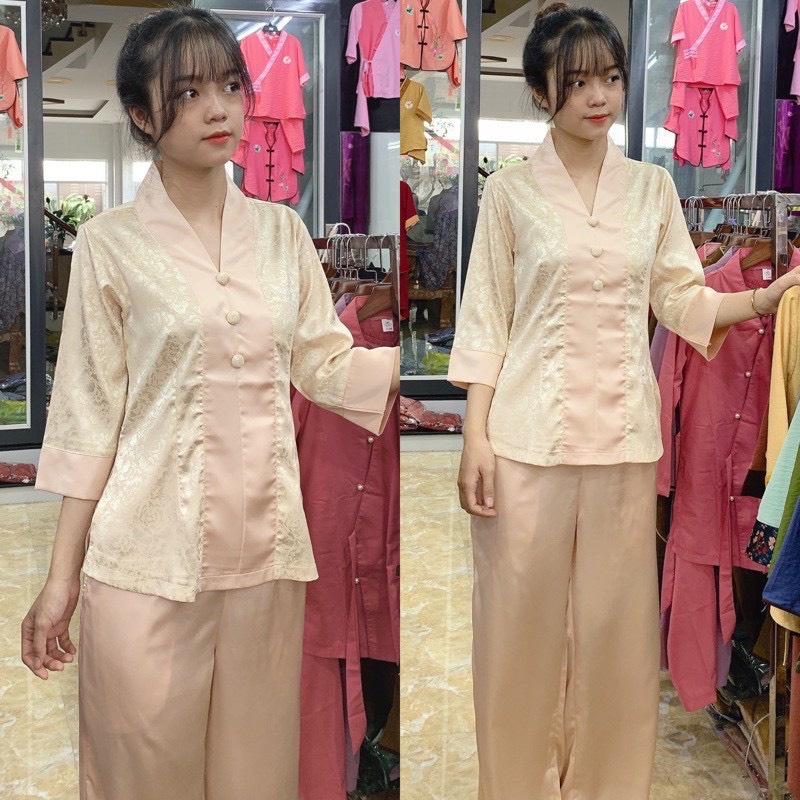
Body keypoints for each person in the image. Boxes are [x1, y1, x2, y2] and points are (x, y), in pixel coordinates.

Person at [20, 8, 399, 799]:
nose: (218, 109)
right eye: (187, 93)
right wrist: (60, 580)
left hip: (264, 559)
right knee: (142, 766)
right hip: (145, 557)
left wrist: (445, 363)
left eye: (229, 86)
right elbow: (89, 413)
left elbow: (323, 365)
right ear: (141, 115)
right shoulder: (110, 245)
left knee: (254, 772)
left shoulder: (282, 234)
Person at [447, 5, 800, 799]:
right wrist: (474, 435)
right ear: (542, 90)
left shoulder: (651, 189)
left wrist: (761, 298)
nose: (599, 95)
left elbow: (679, 296)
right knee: (518, 629)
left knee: (614, 635)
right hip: (526, 441)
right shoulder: (510, 195)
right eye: (577, 81)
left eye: (610, 77)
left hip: (621, 442)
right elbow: (487, 316)